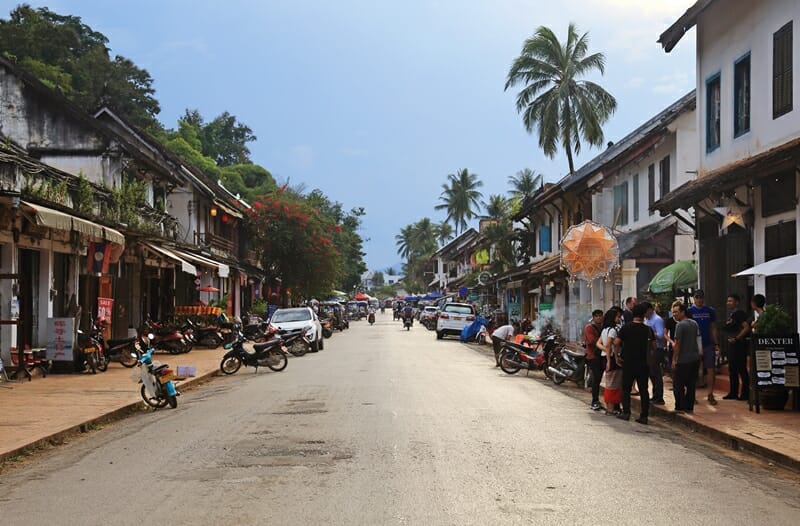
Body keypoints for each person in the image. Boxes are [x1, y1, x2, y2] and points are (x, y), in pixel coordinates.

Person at [615, 303, 653, 424]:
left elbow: (616, 342)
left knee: (626, 388)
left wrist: (616, 356)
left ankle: (626, 412)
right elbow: (653, 346)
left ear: (633, 314)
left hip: (628, 362)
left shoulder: (626, 327)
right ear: (644, 315)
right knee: (643, 390)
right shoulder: (648, 330)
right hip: (643, 364)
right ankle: (644, 416)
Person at [688, 289, 720, 406]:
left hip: (708, 344)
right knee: (694, 371)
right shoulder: (689, 311)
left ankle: (710, 394)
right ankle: (692, 395)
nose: (699, 300)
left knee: (711, 370)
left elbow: (713, 327)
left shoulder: (710, 311)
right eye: (697, 297)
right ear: (694, 298)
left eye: (701, 297)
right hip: (694, 345)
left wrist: (716, 343)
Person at [671, 301, 701, 413]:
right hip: (695, 358)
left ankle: (679, 406)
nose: (674, 314)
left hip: (683, 359)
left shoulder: (680, 325)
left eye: (676, 312)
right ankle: (689, 407)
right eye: (673, 312)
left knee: (678, 384)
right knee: (691, 384)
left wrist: (674, 359)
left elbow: (677, 344)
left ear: (683, 312)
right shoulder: (694, 323)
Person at [723, 293, 750, 401]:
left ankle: (745, 393)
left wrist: (737, 338)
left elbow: (746, 327)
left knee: (741, 369)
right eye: (728, 301)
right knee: (732, 369)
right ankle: (733, 392)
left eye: (731, 301)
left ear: (737, 302)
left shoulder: (739, 313)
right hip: (732, 345)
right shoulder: (732, 314)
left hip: (739, 346)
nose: (728, 303)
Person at [597, 307, 623, 415]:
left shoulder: (604, 330)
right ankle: (611, 408)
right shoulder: (613, 330)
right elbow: (608, 344)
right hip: (611, 359)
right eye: (617, 316)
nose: (619, 318)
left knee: (610, 383)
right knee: (613, 384)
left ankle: (610, 407)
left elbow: (599, 344)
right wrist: (610, 357)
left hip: (606, 357)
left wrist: (606, 350)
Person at [643, 302, 666, 405]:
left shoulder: (657, 320)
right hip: (648, 349)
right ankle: (655, 394)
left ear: (650, 310)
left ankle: (659, 396)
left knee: (656, 373)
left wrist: (650, 335)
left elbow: (661, 335)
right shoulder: (647, 320)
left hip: (656, 349)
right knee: (651, 373)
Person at [584, 310, 605, 410]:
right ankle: (594, 400)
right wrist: (602, 340)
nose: (599, 318)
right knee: (596, 378)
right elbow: (592, 341)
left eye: (600, 316)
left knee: (599, 378)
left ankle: (597, 400)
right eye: (596, 316)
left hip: (601, 356)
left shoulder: (604, 327)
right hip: (592, 356)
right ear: (593, 317)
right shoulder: (589, 327)